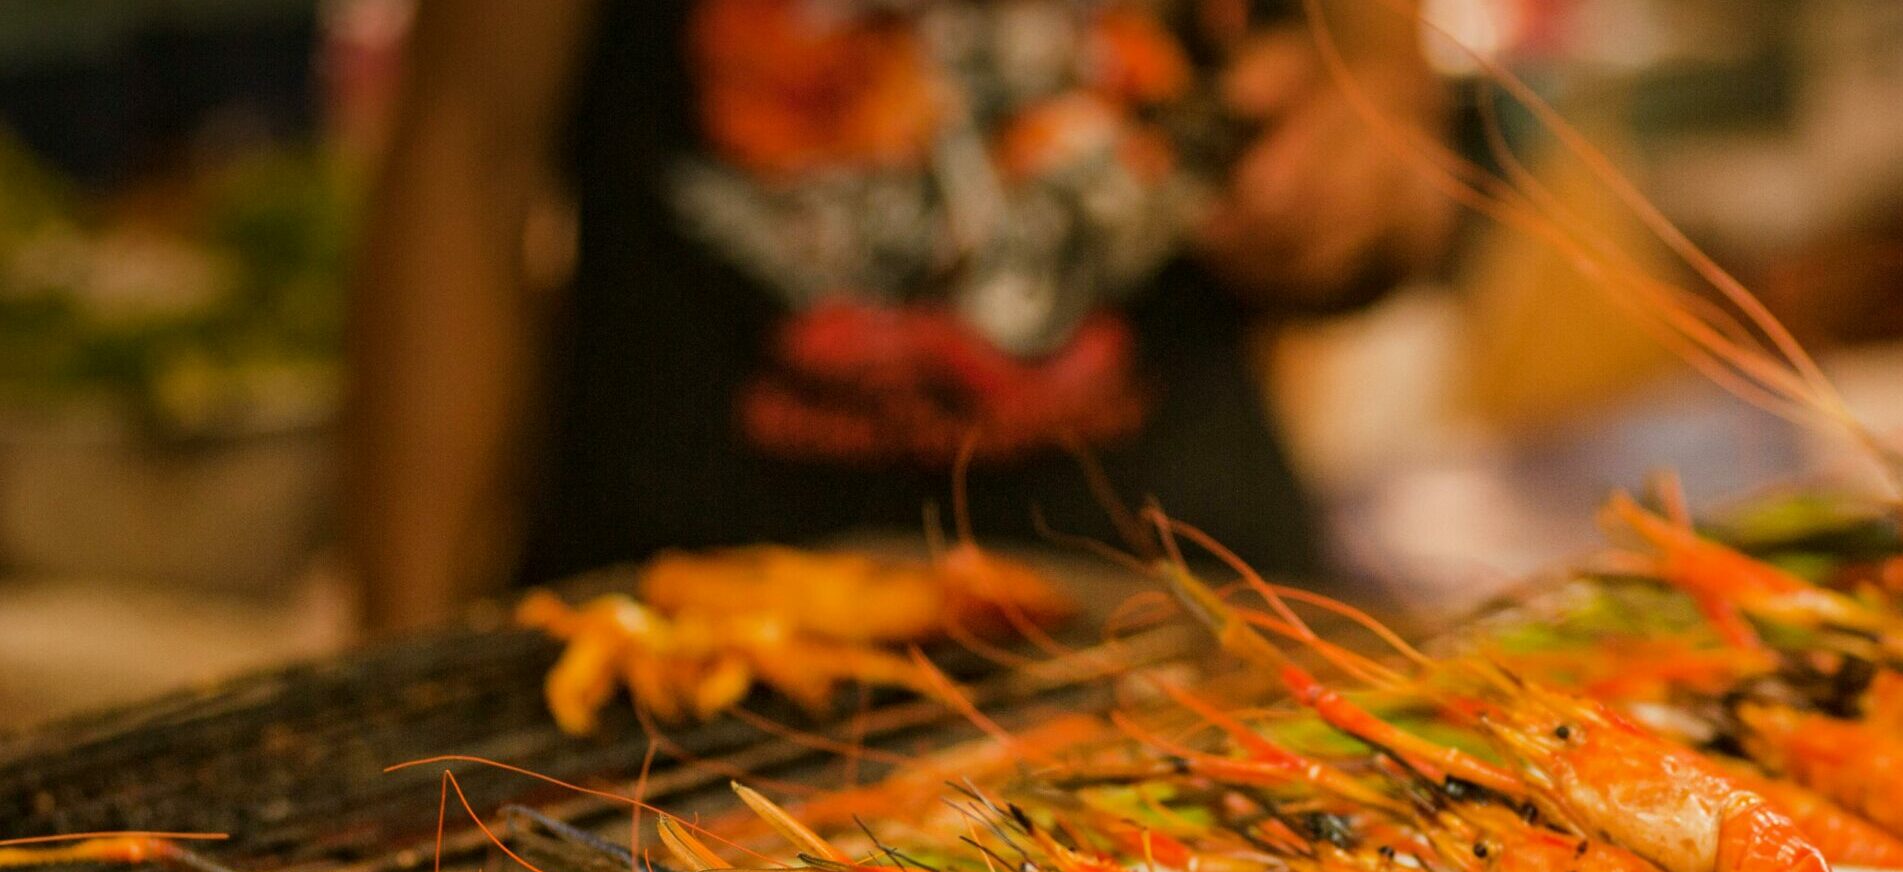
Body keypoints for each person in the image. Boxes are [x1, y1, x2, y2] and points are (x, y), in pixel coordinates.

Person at [344, 0, 1455, 632]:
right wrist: (398, 652)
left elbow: (1392, 112)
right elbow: (465, 161)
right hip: (690, 627)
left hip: (1173, 599)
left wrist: (1359, 190)